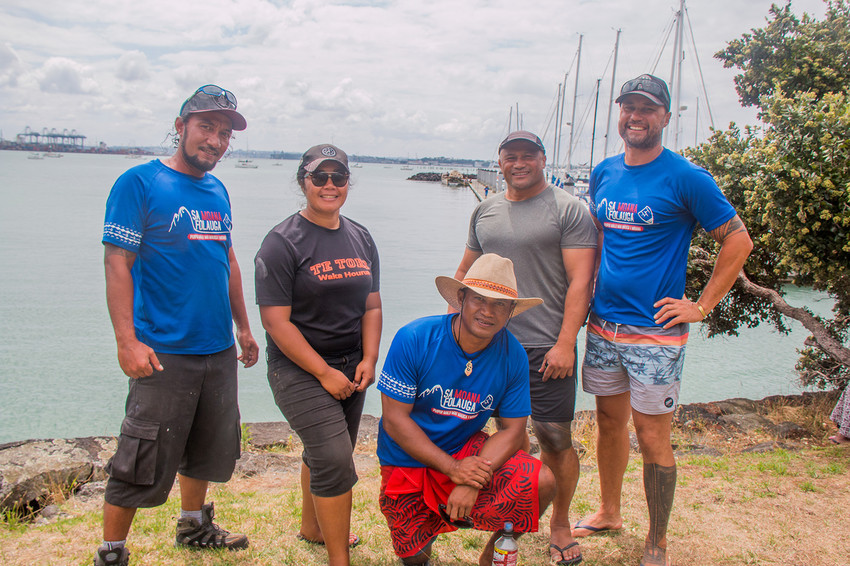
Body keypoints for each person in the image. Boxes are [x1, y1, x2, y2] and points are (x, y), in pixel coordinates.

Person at [573, 74, 753, 566]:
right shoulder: (605, 172)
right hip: (605, 326)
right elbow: (602, 240)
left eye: (647, 108)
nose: (636, 116)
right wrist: (586, 297)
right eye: (628, 106)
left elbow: (738, 241)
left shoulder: (687, 177)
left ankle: (657, 539)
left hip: (655, 335)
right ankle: (610, 512)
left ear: (665, 118)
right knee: (609, 424)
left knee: (653, 435)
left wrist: (701, 305)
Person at [97, 84, 259, 566]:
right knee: (140, 452)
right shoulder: (139, 182)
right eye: (206, 127)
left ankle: (193, 524)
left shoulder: (217, 189)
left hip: (215, 348)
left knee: (208, 443)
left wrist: (243, 328)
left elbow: (225, 258)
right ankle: (112, 550)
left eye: (225, 132)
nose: (215, 140)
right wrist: (126, 341)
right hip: (162, 350)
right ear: (181, 125)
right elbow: (117, 262)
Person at [453, 131, 597, 565]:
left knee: (554, 437)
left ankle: (560, 524)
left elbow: (581, 280)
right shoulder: (485, 209)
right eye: (510, 156)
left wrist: (567, 342)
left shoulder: (568, 209)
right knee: (505, 439)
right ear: (499, 162)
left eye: (528, 156)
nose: (519, 163)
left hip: (545, 347)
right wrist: (451, 338)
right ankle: (504, 526)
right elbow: (465, 275)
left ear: (543, 159)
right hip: (489, 346)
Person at [377, 254, 557, 566]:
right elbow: (394, 420)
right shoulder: (415, 338)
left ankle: (492, 556)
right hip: (407, 457)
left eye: (500, 304)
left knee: (542, 481)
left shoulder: (512, 354)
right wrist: (453, 469)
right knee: (416, 557)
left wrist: (471, 477)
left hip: (466, 451)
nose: (488, 312)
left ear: (511, 311)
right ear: (461, 298)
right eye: (479, 299)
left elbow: (514, 430)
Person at [254, 144, 382, 566]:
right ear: (303, 181)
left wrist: (370, 356)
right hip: (300, 368)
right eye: (319, 177)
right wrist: (324, 372)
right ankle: (338, 558)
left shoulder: (361, 236)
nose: (330, 185)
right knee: (334, 457)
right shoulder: (281, 242)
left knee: (324, 450)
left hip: (352, 365)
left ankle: (313, 527)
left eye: (338, 177)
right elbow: (276, 323)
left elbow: (372, 306)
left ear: (348, 183)